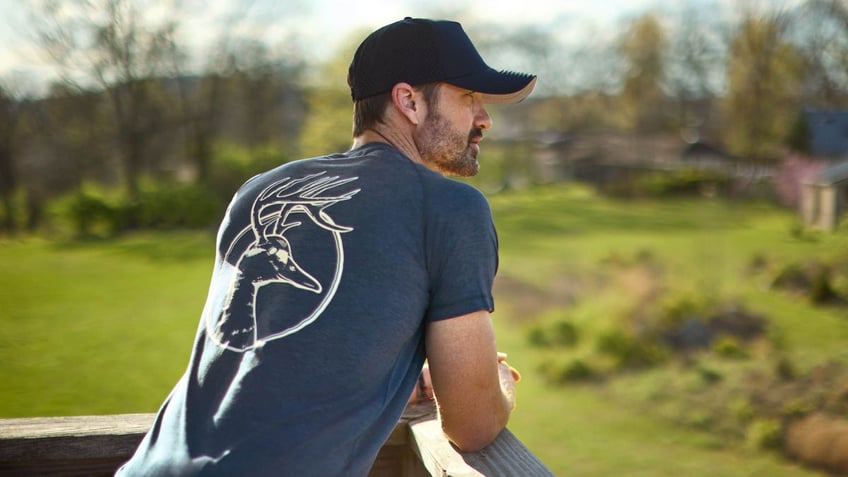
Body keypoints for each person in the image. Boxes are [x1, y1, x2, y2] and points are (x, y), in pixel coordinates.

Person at [116, 17, 536, 477]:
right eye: (469, 97)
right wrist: (495, 384)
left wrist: (394, 377)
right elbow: (473, 425)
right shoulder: (450, 209)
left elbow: (264, 351)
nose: (485, 119)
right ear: (409, 102)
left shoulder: (260, 190)